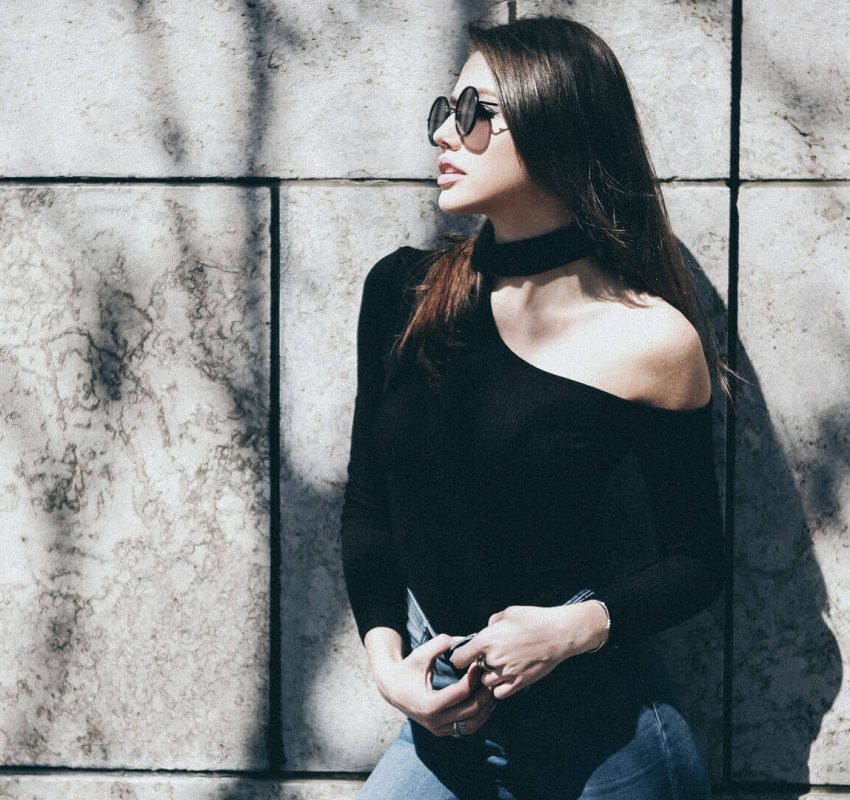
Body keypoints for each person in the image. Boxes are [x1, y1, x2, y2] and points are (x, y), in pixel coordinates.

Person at [340, 12, 739, 800]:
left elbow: (697, 560)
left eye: (472, 114)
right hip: (440, 728)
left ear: (556, 127)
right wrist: (392, 674)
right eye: (442, 113)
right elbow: (368, 506)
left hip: (603, 745)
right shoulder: (403, 293)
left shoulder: (651, 339)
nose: (444, 137)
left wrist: (569, 630)